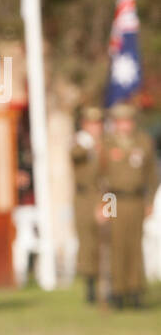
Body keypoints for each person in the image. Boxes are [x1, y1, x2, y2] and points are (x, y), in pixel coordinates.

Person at [100, 103, 158, 309]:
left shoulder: (143, 142)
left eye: (127, 121)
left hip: (135, 199)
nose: (124, 125)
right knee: (116, 245)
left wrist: (149, 201)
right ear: (115, 124)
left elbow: (152, 174)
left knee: (135, 245)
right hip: (114, 199)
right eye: (120, 121)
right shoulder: (106, 143)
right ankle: (117, 292)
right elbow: (100, 176)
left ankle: (135, 291)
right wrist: (103, 206)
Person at [70, 106, 106, 303]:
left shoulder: (109, 142)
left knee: (109, 239)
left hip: (107, 196)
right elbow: (75, 155)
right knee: (88, 242)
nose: (95, 127)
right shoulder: (80, 142)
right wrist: (90, 144)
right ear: (85, 125)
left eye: (98, 123)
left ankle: (111, 285)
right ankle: (90, 287)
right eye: (91, 124)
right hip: (85, 197)